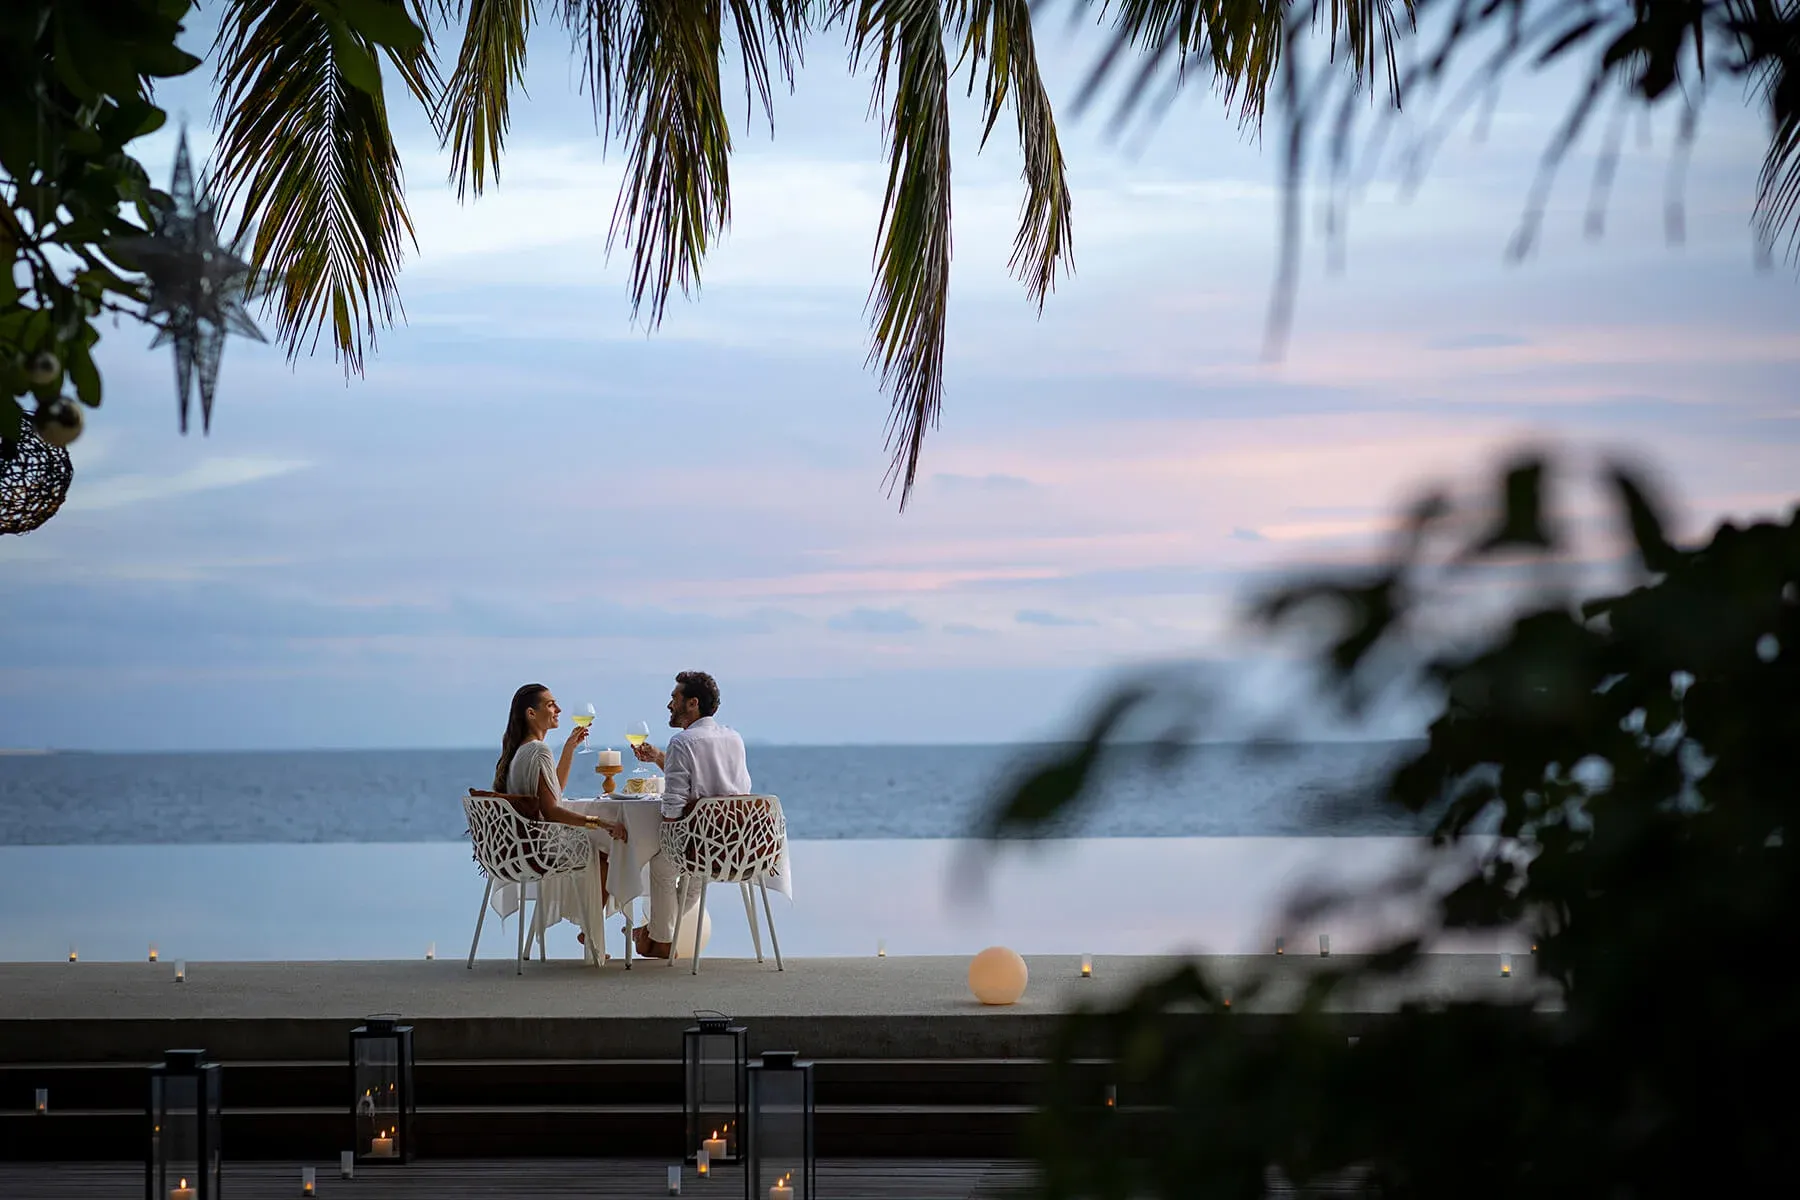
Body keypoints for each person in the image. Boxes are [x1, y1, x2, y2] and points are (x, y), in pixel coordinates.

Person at [629, 670, 750, 959]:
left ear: (692, 703)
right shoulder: (734, 738)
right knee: (695, 871)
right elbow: (738, 790)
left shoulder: (682, 743)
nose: (669, 705)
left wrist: (653, 836)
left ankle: (658, 938)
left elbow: (672, 806)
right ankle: (651, 933)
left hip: (697, 844)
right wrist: (661, 759)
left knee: (662, 865)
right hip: (735, 845)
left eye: (674, 698)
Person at [493, 683, 629, 917]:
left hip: (520, 848)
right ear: (531, 713)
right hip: (538, 849)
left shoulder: (522, 750)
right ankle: (591, 929)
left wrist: (568, 749)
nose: (559, 709)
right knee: (612, 853)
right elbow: (552, 811)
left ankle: (586, 923)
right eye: (550, 704)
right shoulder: (538, 750)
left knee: (599, 846)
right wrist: (601, 823)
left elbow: (554, 792)